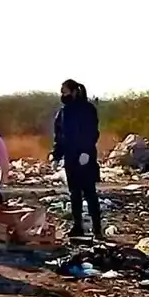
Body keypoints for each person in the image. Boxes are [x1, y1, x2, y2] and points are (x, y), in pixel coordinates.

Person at [51, 79, 103, 240]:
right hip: (71, 158)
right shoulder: (63, 112)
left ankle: (97, 229)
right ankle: (77, 227)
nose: (63, 95)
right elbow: (59, 136)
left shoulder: (87, 109)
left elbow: (92, 132)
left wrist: (86, 151)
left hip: (85, 158)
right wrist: (56, 155)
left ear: (74, 91)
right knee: (74, 194)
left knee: (90, 193)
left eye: (65, 91)